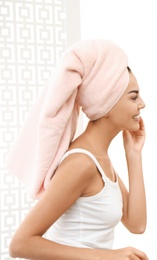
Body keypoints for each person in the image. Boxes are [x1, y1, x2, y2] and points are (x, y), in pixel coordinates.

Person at [6, 39, 149, 259]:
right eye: (134, 96)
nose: (142, 104)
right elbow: (20, 244)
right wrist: (109, 256)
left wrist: (134, 155)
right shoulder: (81, 163)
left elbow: (136, 224)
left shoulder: (100, 160)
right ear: (107, 103)